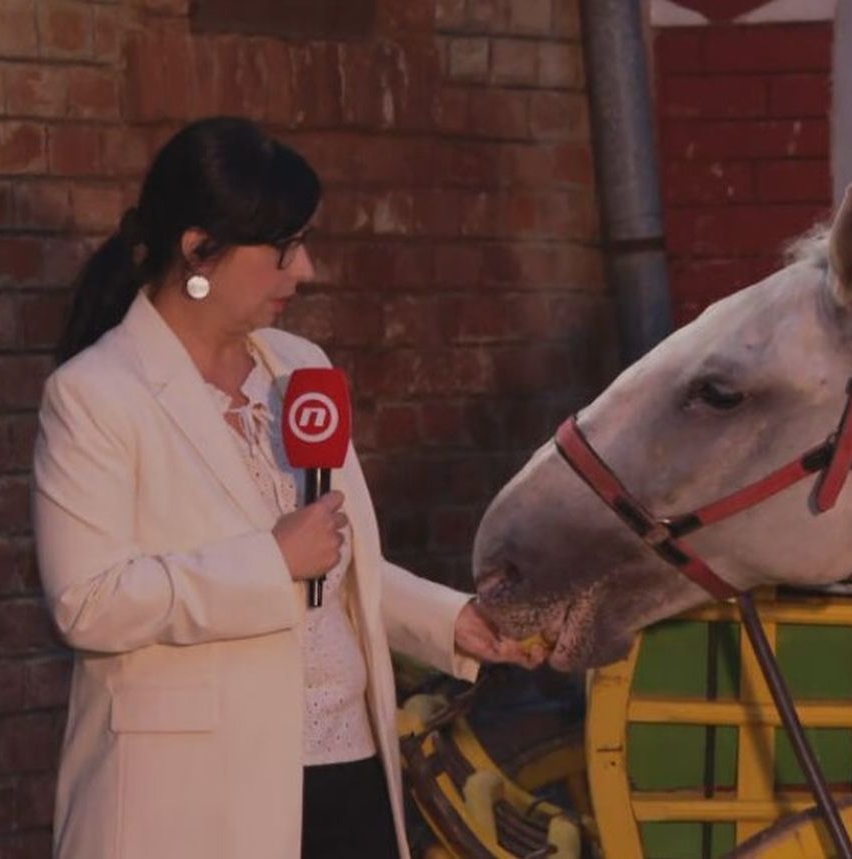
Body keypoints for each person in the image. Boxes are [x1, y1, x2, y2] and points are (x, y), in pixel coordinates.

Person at [33, 116, 542, 859]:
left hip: (350, 769)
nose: (305, 270)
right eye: (284, 248)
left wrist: (453, 620)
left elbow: (333, 561)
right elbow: (88, 602)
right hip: (195, 801)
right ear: (199, 249)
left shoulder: (300, 367)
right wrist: (269, 562)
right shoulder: (95, 395)